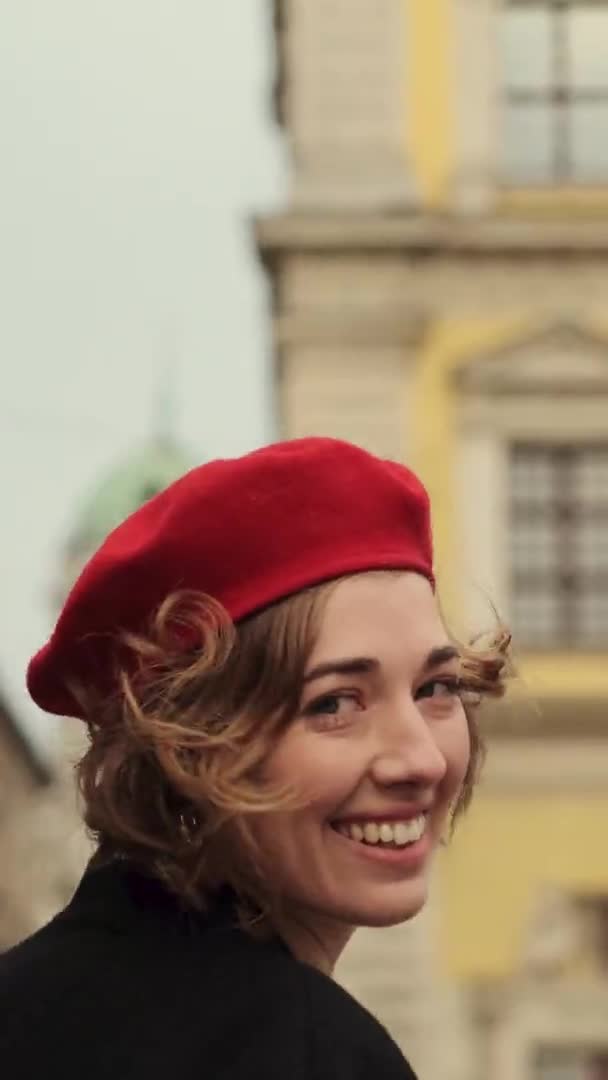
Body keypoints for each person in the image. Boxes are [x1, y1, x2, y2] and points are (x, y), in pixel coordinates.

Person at [0, 437, 509, 1079]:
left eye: (435, 689)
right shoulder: (309, 1050)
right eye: (334, 704)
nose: (421, 760)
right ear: (190, 745)